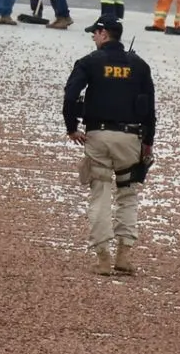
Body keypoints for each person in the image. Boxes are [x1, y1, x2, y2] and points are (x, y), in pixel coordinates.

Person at [62, 17, 156, 276]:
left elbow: (70, 96)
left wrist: (72, 128)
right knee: (127, 195)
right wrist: (147, 144)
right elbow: (150, 109)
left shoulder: (89, 62)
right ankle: (124, 254)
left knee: (100, 195)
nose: (93, 37)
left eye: (95, 33)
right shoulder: (140, 66)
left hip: (98, 137)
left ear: (104, 34)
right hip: (130, 139)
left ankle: (103, 257)